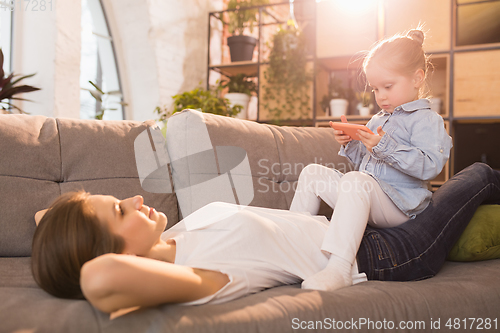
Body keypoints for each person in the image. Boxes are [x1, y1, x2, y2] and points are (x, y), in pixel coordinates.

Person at [32, 163, 500, 314]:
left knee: (320, 174)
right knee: (477, 174)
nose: (134, 199)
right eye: (119, 211)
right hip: (384, 257)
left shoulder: (174, 236)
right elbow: (98, 275)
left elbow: (43, 218)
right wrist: (77, 252)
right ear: (113, 250)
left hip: (353, 228)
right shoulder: (197, 276)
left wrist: (62, 226)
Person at [289, 29, 453, 291]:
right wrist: (352, 142)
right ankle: (290, 244)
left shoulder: (427, 120)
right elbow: (365, 167)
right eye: (376, 88)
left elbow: (430, 166)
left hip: (401, 208)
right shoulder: (378, 119)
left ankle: (339, 268)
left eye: (388, 86)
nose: (381, 96)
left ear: (416, 78)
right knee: (312, 173)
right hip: (372, 200)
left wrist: (384, 146)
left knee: (356, 181)